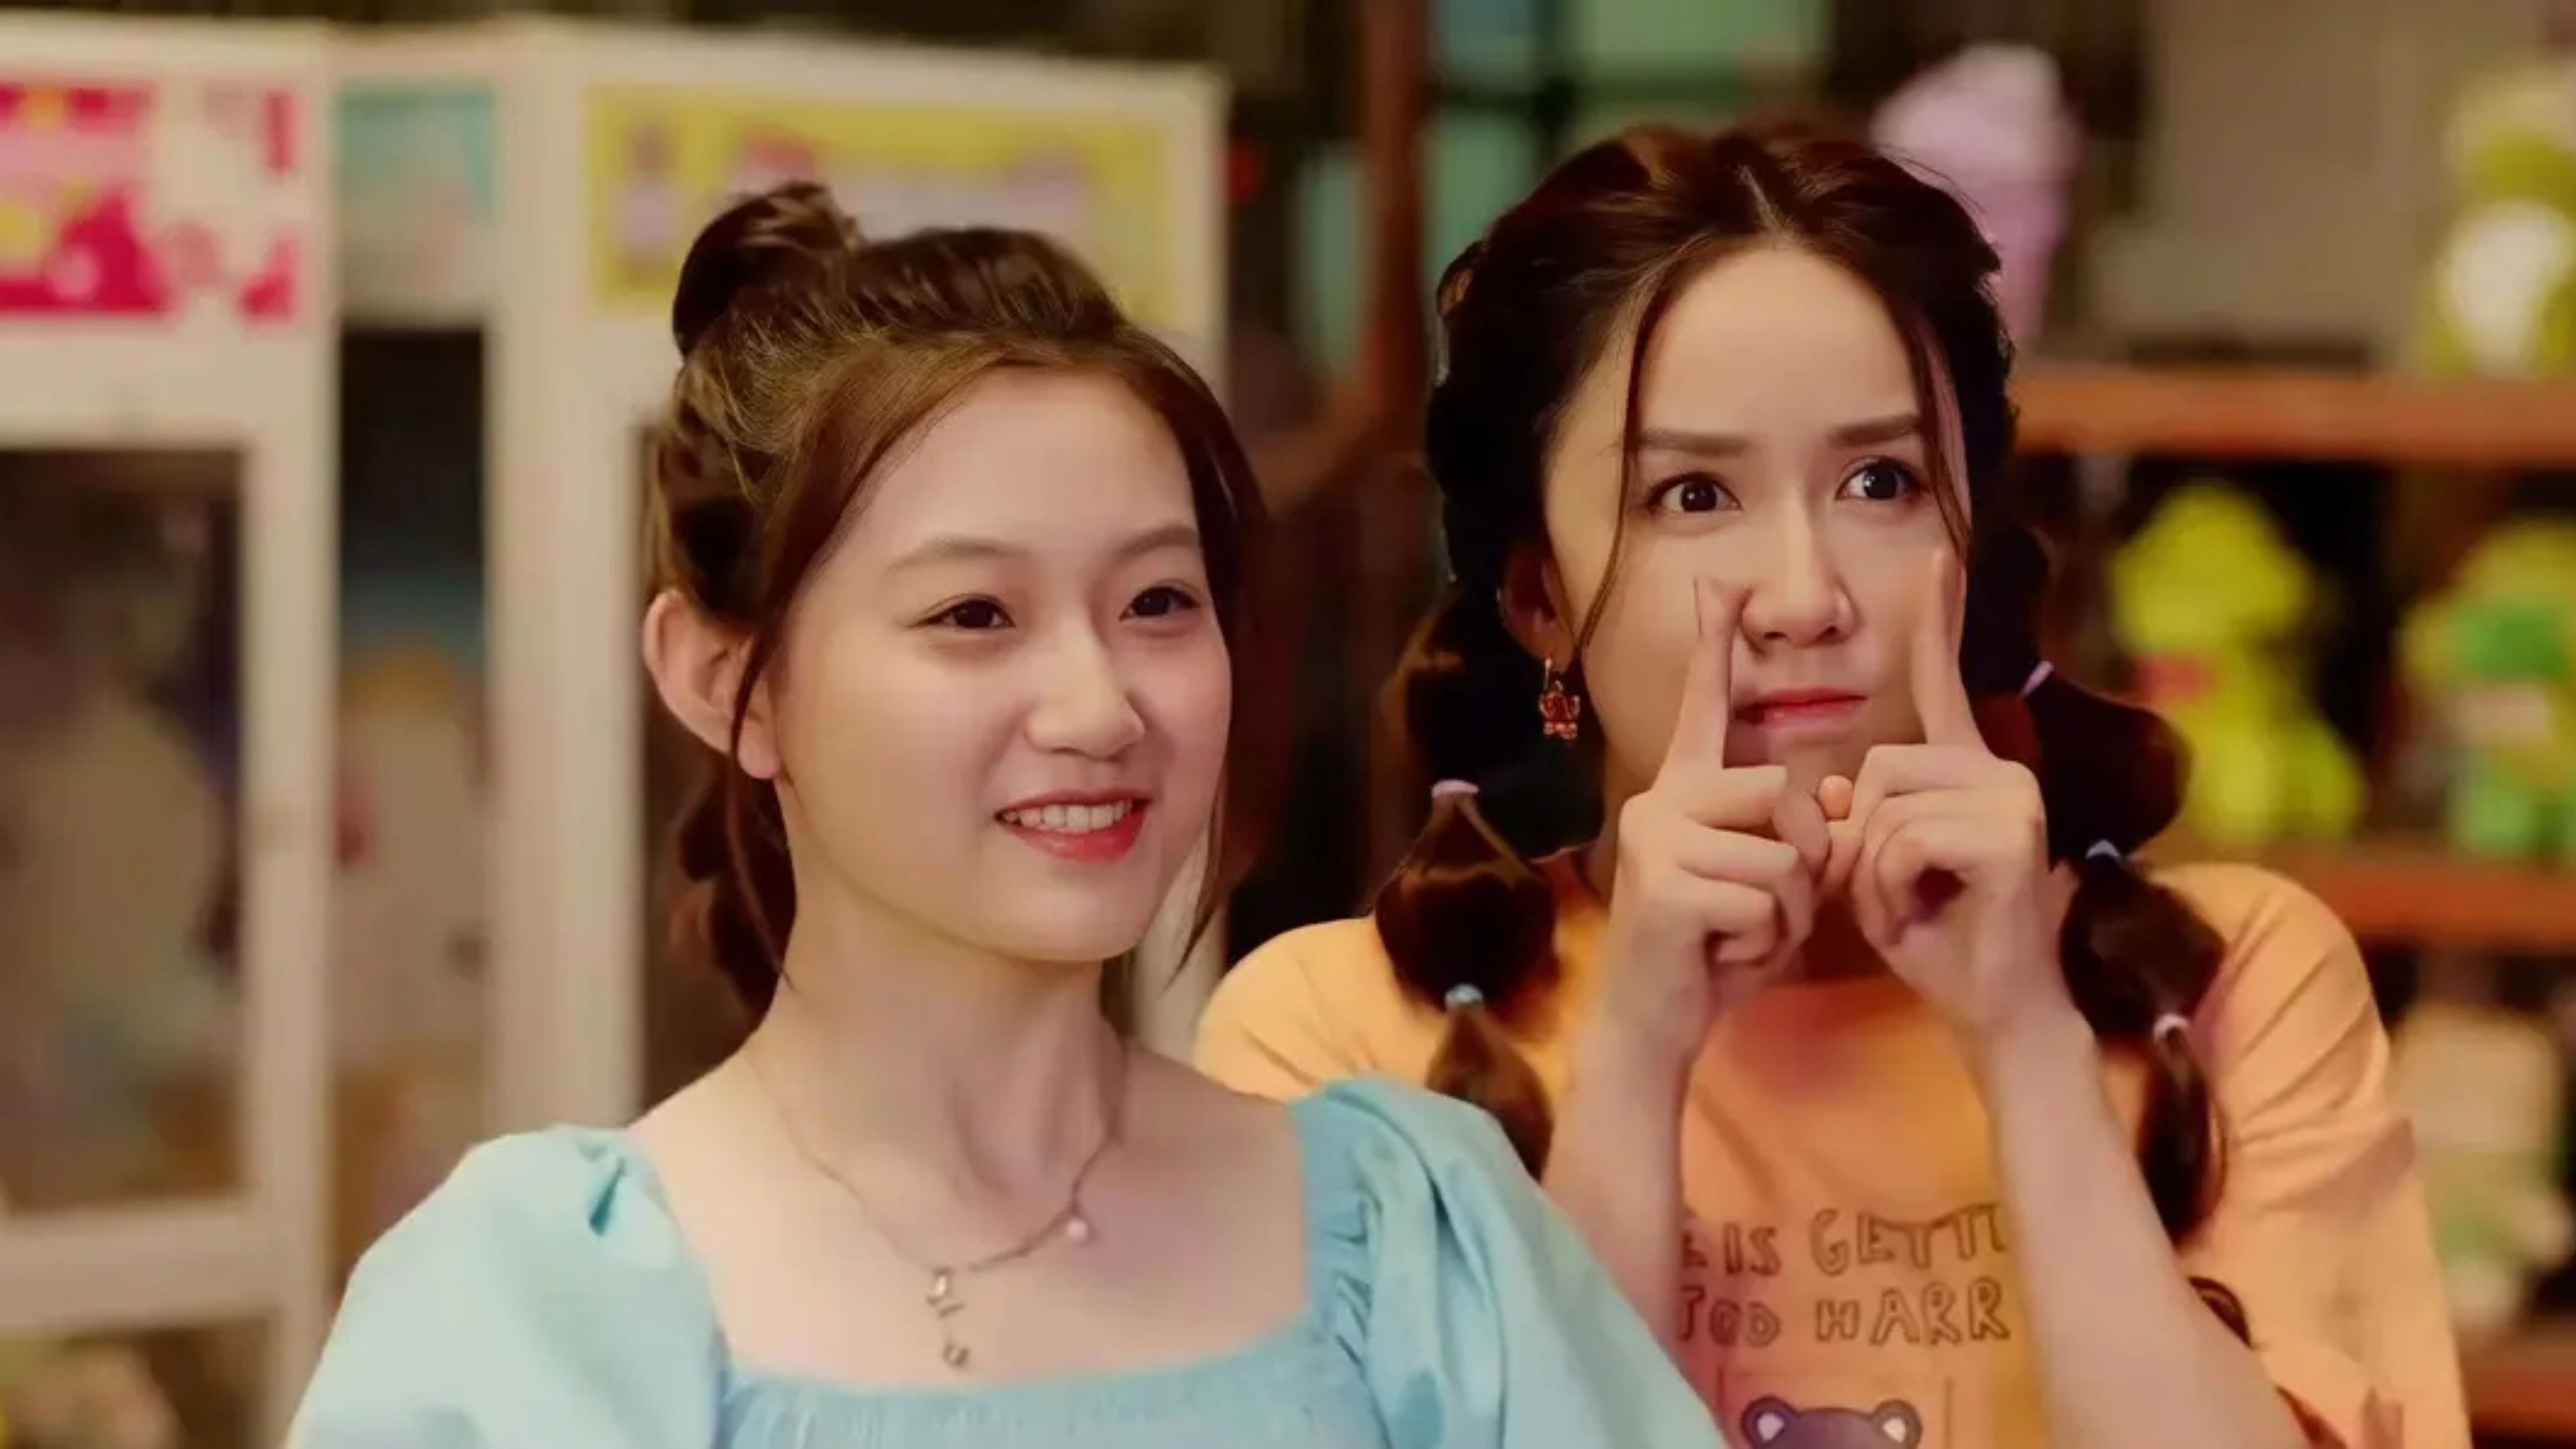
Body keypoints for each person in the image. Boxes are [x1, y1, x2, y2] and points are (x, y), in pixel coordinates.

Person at [288, 184, 1722, 1449]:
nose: (1098, 707)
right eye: (975, 614)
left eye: (1158, 602)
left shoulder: (1417, 1244)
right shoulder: (536, 1310)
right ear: (730, 683)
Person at [1196, 125, 2469, 1449]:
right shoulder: (1340, 1041)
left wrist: (2028, 1048)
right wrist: (1633, 1061)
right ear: (1540, 598)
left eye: (1881, 482)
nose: (1805, 597)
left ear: (1969, 543)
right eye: (1694, 496)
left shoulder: (2228, 988)